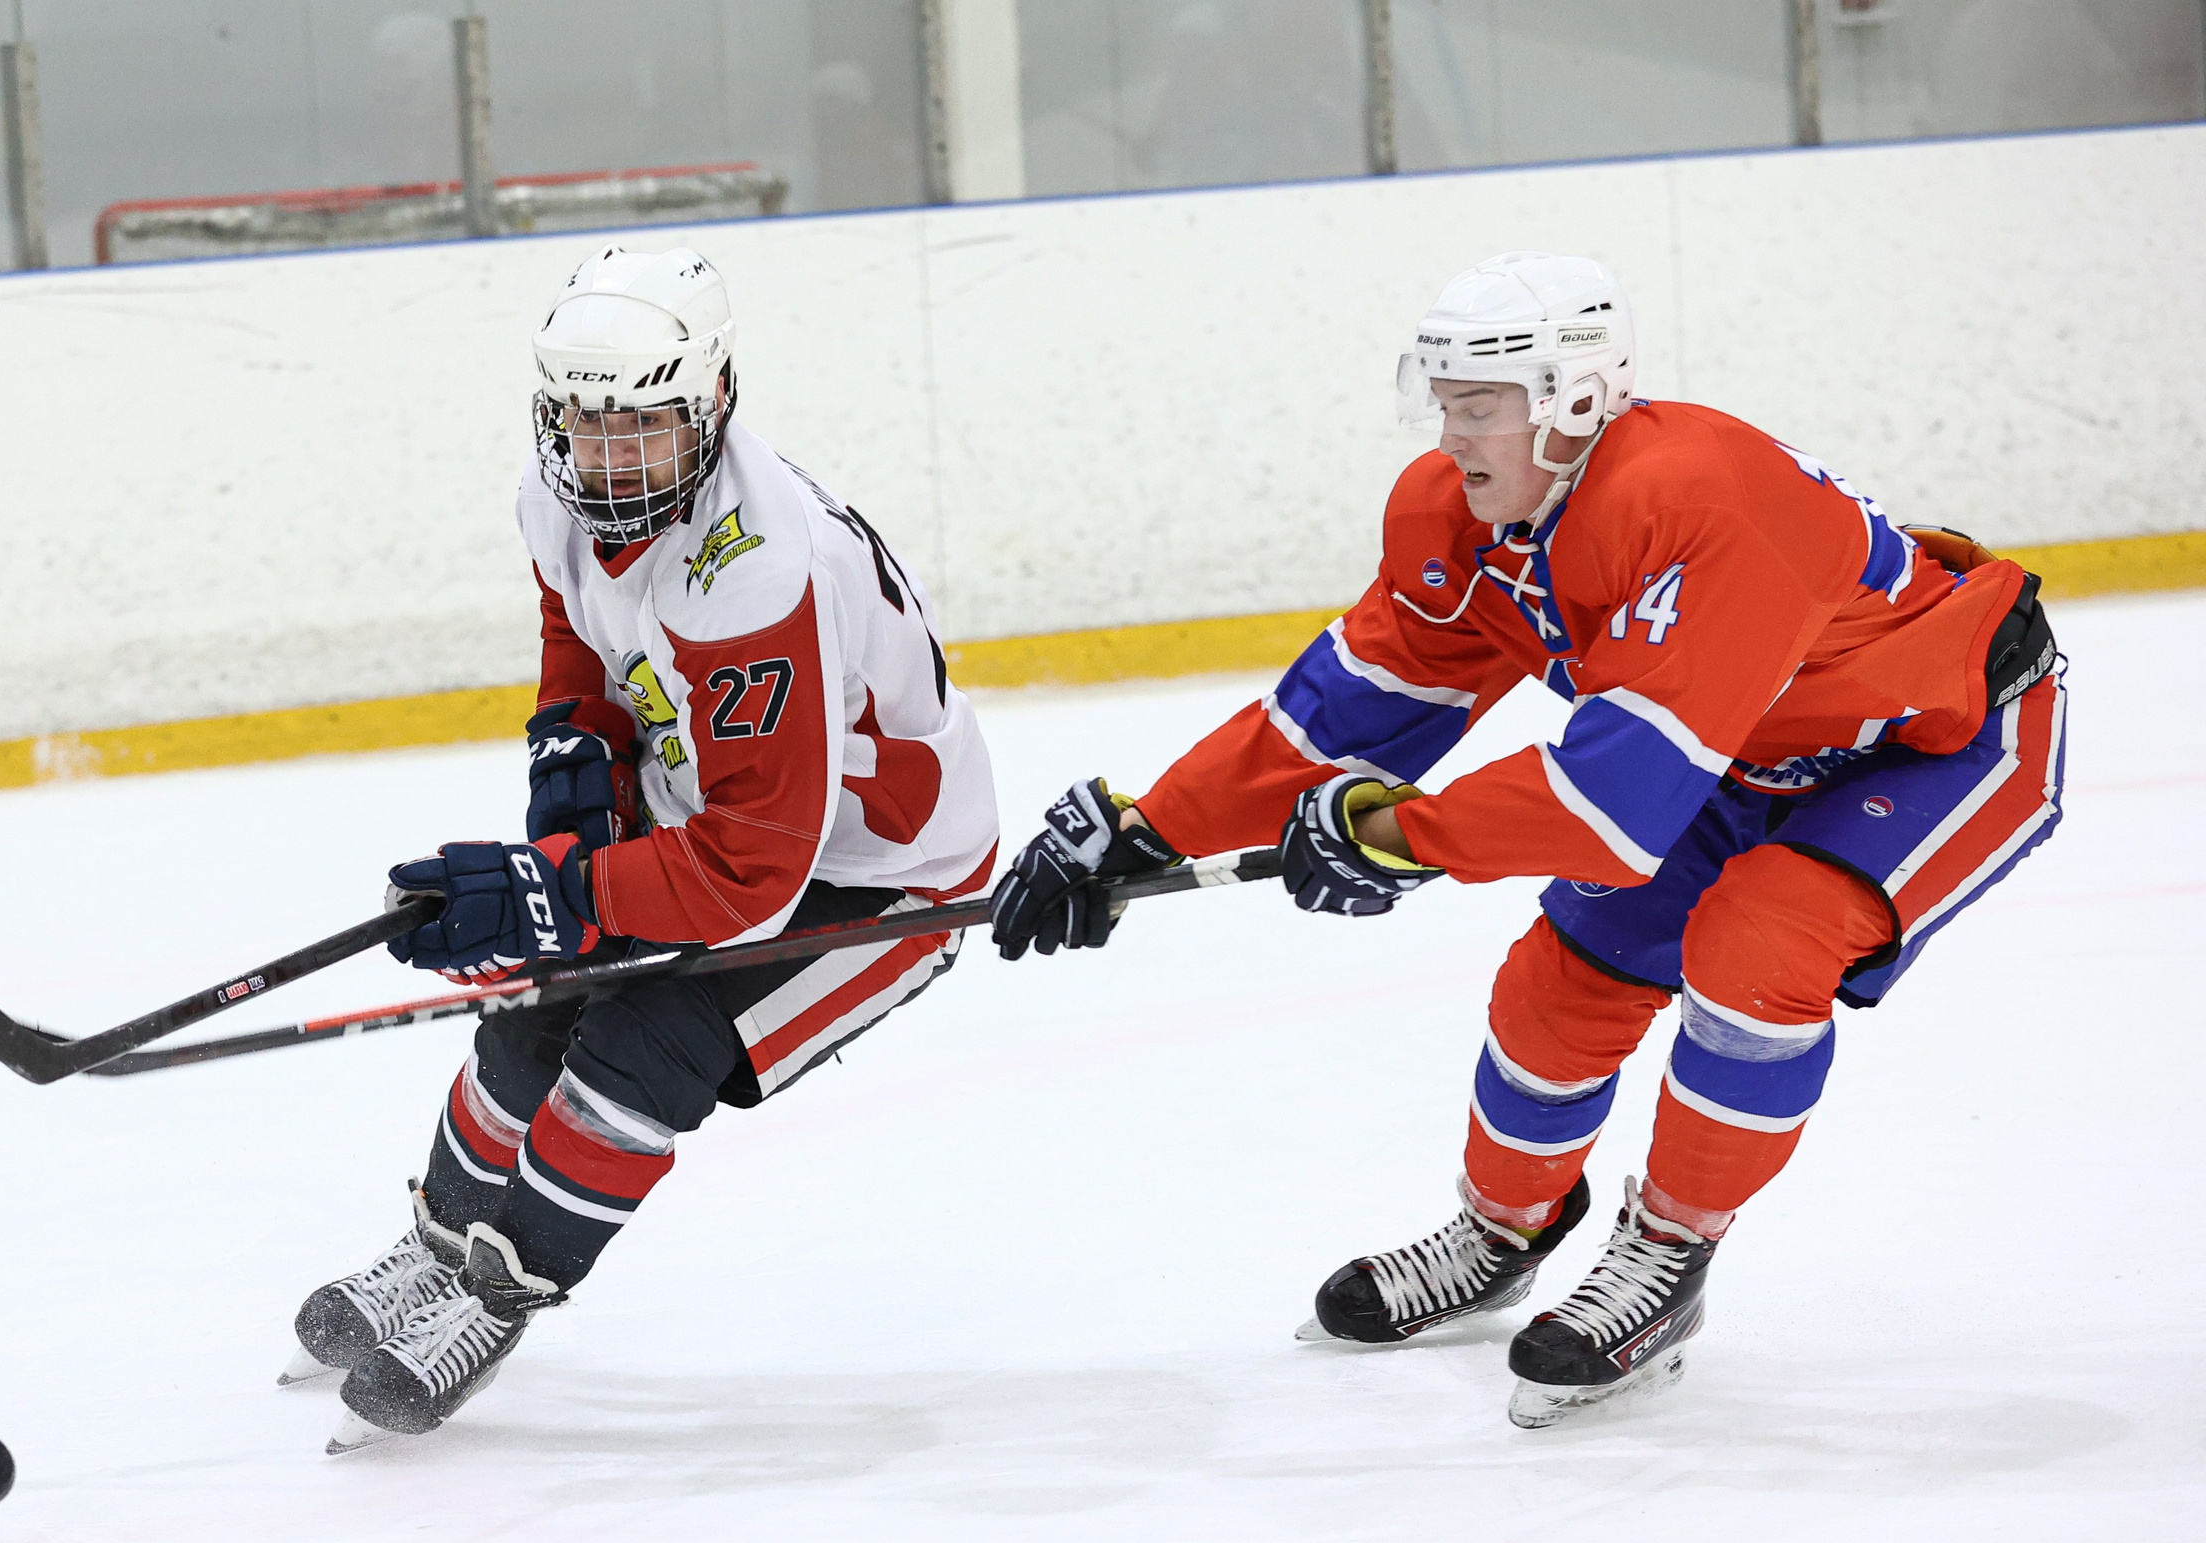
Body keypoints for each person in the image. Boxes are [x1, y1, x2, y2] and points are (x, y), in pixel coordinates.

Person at [989, 251, 2063, 1427]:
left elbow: (1617, 804)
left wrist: (1402, 837)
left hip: (1927, 745)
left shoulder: (1705, 502)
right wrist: (1149, 829)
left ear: (1575, 399)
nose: (1451, 435)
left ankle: (1668, 1251)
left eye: (1479, 406)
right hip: (1734, 750)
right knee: (1559, 984)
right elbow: (1349, 708)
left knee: (1759, 947)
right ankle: (1500, 1235)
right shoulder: (1462, 517)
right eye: (1440, 401)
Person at [288, 245, 999, 1453]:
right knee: (535, 1009)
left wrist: (547, 895)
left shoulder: (763, 567)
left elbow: (749, 877)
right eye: (585, 425)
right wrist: (571, 780)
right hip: (730, 813)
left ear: (714, 401)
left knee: (642, 1045)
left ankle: (498, 1291)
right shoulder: (551, 493)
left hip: (878, 875)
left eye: (647, 430)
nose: (609, 461)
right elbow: (585, 641)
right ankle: (440, 1244)